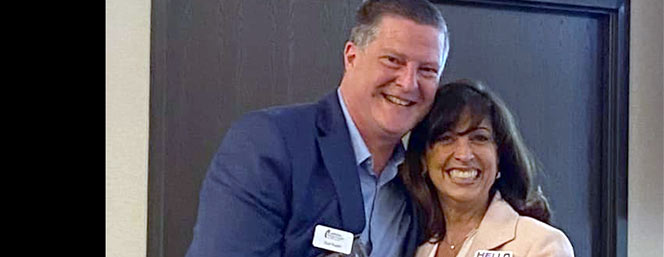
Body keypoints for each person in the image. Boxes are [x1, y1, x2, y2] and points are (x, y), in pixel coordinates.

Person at [184, 1, 449, 257]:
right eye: (393, 60)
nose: (407, 83)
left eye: (427, 70)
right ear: (351, 57)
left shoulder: (422, 179)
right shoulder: (269, 144)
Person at [399, 79, 574, 257]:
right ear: (423, 160)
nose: (464, 155)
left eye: (479, 138)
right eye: (446, 138)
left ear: (500, 157)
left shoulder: (541, 244)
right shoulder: (415, 248)